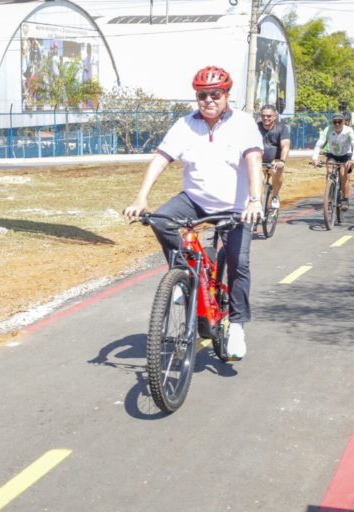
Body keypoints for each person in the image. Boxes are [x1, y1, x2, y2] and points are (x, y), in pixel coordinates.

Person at [124, 65, 263, 361]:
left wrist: (254, 200)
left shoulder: (243, 123)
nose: (209, 100)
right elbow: (160, 160)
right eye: (202, 95)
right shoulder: (185, 124)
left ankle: (237, 324)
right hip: (195, 200)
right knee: (161, 221)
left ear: (226, 95)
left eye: (215, 94)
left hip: (236, 207)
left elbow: (253, 161)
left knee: (239, 261)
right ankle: (187, 277)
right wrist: (141, 197)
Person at [311, 113, 354, 211]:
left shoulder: (349, 130)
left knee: (343, 173)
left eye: (339, 122)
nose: (337, 124)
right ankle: (330, 192)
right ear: (332, 122)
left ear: (344, 122)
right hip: (333, 155)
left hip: (346, 155)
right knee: (329, 169)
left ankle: (345, 199)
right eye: (334, 122)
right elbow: (319, 144)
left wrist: (353, 159)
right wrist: (315, 158)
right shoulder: (328, 129)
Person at [257, 104, 290, 209]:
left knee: (277, 170)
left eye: (269, 116)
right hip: (259, 161)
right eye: (263, 116)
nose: (265, 118)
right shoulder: (255, 127)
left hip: (274, 161)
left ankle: (275, 195)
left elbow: (285, 146)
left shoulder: (282, 128)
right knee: (257, 181)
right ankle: (258, 204)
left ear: (275, 116)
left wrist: (282, 160)